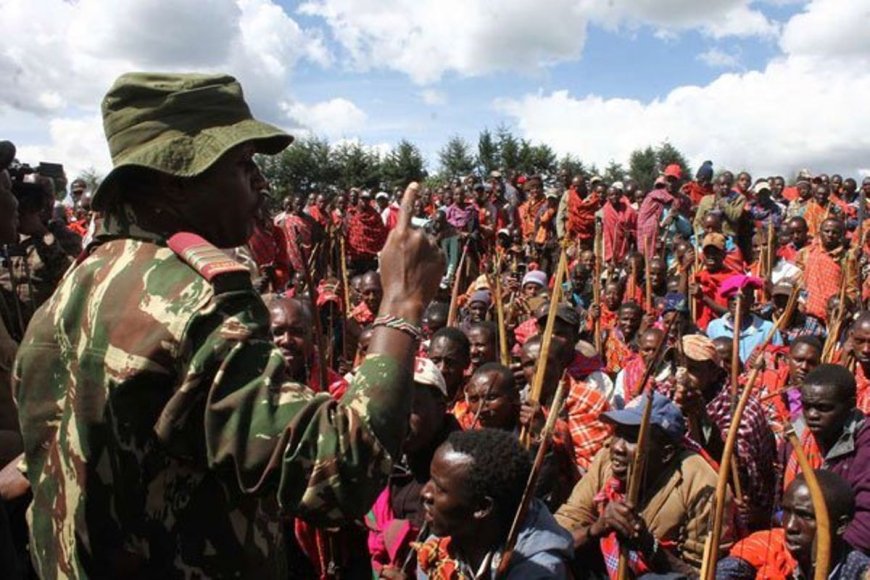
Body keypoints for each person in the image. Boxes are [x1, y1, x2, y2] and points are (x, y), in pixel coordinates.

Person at [12, 72, 445, 578]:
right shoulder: (195, 300)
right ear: (175, 178)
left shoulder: (76, 285)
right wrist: (402, 301)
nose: (260, 183)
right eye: (243, 165)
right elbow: (339, 473)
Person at [555, 392, 729, 577]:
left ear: (666, 453)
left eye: (632, 438)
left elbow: (700, 574)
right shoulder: (605, 459)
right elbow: (561, 530)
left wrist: (648, 545)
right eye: (618, 434)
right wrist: (598, 527)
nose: (617, 447)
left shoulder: (702, 485)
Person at [415, 429, 573, 579]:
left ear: (482, 507)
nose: (425, 493)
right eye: (430, 479)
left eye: (440, 488)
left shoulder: (538, 571)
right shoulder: (439, 546)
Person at [671, 334, 777, 531]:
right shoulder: (670, 393)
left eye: (692, 369)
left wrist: (700, 414)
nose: (682, 376)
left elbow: (736, 468)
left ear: (713, 372)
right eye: (678, 366)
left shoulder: (740, 408)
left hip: (741, 509)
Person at [367, 357, 460, 577]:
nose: (399, 418)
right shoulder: (386, 453)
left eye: (410, 407)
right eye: (392, 406)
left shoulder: (458, 472)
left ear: (440, 407)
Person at [718, 470, 870, 580]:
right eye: (786, 512)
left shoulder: (860, 571)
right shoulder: (773, 547)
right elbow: (726, 571)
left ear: (841, 525)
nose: (790, 526)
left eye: (806, 516)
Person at [785, 364, 870, 552]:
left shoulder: (865, 445)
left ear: (850, 405)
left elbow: (866, 525)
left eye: (823, 408)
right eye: (807, 407)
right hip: (797, 540)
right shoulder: (799, 431)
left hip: (844, 550)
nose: (812, 415)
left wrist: (820, 554)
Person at [706, 274, 783, 363]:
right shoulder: (715, 327)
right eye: (732, 298)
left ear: (752, 300)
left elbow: (780, 360)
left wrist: (766, 360)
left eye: (742, 298)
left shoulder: (768, 329)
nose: (736, 302)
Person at [796, 217, 858, 324]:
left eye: (835, 232)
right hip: (807, 314)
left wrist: (842, 308)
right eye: (827, 231)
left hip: (833, 316)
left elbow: (851, 289)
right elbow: (799, 282)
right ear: (819, 232)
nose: (830, 234)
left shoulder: (847, 258)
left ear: (841, 235)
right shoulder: (806, 253)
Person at [428, 327, 472, 403]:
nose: (442, 369)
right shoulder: (416, 395)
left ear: (466, 363)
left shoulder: (474, 397)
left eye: (450, 362)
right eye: (436, 361)